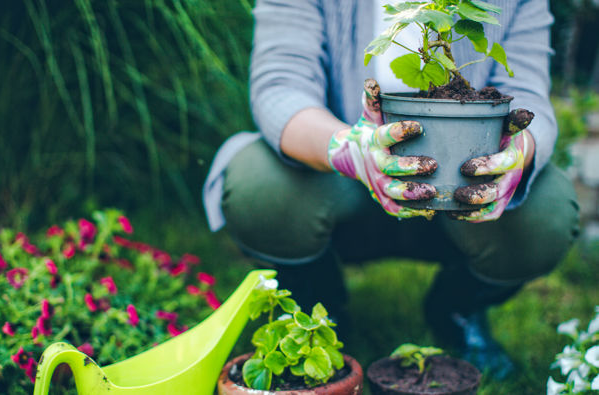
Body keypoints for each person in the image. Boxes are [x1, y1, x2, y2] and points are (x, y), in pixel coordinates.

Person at [203, 0, 579, 378]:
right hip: (335, 179)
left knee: (546, 213)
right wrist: (350, 149)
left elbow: (527, 93)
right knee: (259, 187)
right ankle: (319, 302)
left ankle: (457, 307)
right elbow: (280, 87)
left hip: (462, 183)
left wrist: (518, 152)